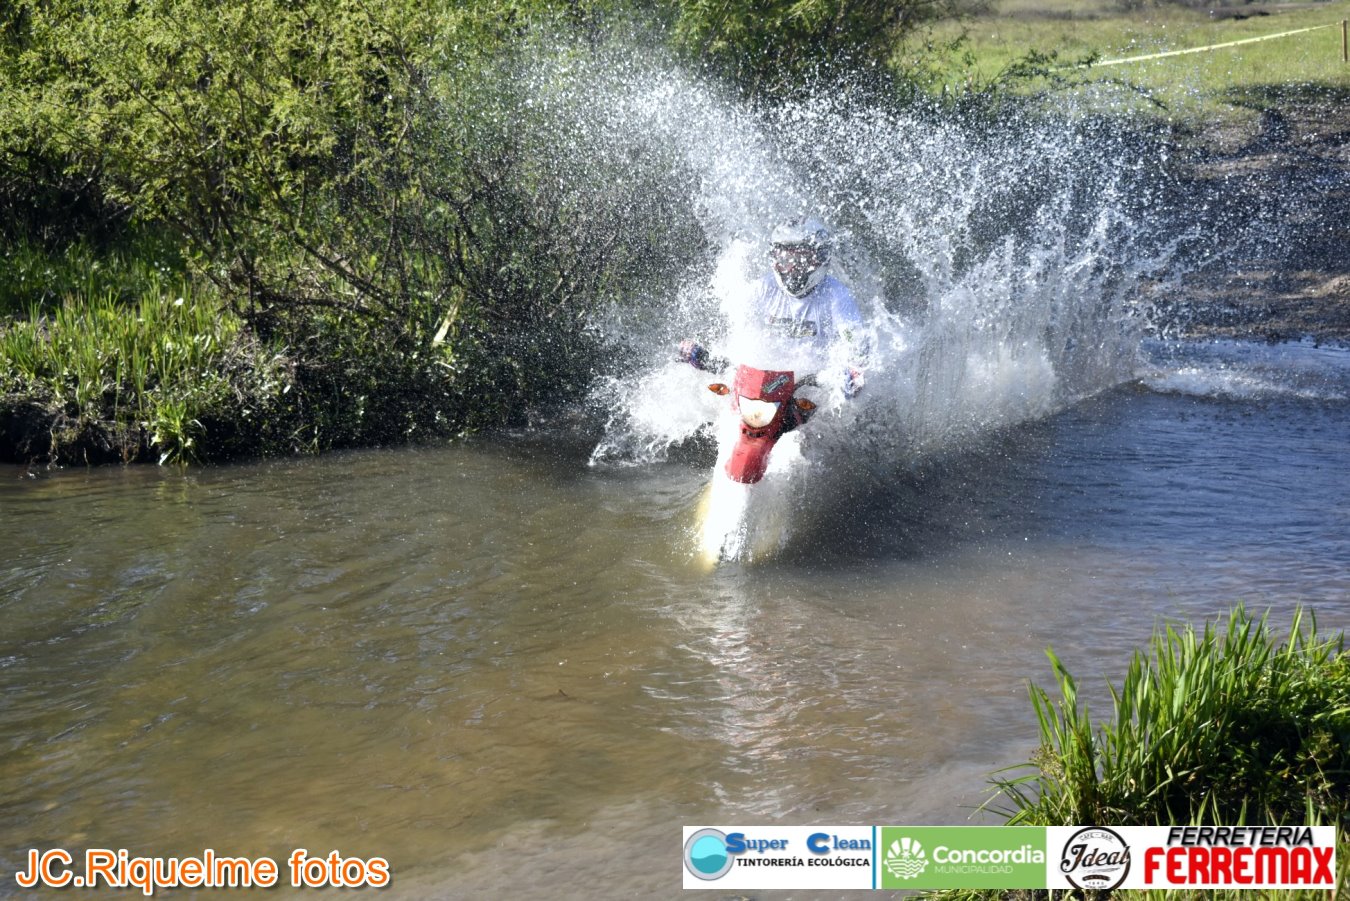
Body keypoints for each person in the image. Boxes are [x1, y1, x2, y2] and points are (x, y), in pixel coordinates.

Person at [680, 217, 867, 397]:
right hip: (763, 389)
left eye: (801, 259)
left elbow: (856, 343)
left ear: (820, 258)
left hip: (811, 392)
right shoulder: (763, 288)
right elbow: (735, 334)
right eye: (785, 259)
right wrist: (702, 355)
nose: (792, 268)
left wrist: (852, 374)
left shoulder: (837, 296)